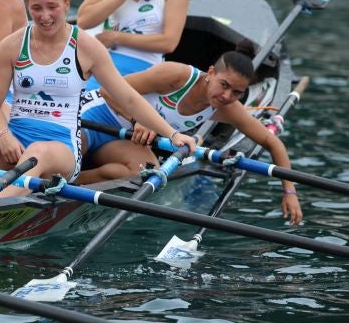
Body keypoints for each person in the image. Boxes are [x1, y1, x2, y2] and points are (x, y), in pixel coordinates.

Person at [0, 0, 196, 198]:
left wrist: (173, 134)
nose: (45, 16)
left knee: (38, 153)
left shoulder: (86, 47)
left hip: (61, 147)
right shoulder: (12, 45)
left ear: (67, 4)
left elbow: (128, 98)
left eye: (52, 6)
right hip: (16, 136)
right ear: (28, 7)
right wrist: (3, 135)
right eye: (36, 9)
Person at [77, 50, 303, 225]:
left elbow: (272, 142)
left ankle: (72, 185)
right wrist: (138, 120)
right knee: (72, 155)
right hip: (93, 117)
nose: (227, 96)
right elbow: (108, 90)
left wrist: (289, 191)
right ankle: (65, 176)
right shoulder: (176, 76)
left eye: (237, 92)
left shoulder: (227, 108)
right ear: (211, 73)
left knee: (144, 171)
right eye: (224, 85)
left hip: (122, 140)